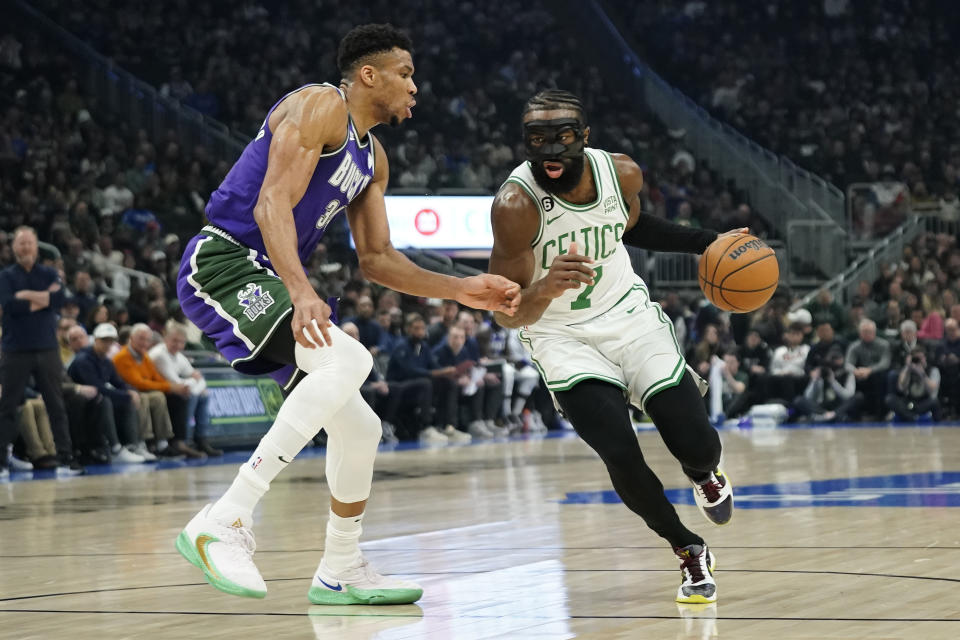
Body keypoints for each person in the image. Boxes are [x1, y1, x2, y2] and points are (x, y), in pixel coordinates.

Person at [173, 24, 519, 605]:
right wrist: (301, 289)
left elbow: (379, 260)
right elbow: (269, 202)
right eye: (405, 74)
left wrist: (462, 288)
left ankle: (340, 566)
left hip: (267, 274)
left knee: (361, 427)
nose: (415, 86)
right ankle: (225, 519)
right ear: (368, 75)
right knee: (349, 358)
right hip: (224, 265)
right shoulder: (319, 107)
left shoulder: (373, 158)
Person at [488, 89, 742, 604]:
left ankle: (703, 472)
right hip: (560, 333)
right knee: (618, 449)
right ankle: (689, 549)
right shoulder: (515, 206)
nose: (549, 153)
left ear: (584, 137)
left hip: (629, 316)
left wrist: (705, 241)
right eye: (537, 141)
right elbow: (505, 311)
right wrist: (545, 287)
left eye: (562, 139)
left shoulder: (621, 173)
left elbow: (631, 225)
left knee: (695, 440)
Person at [0, 226, 82, 477]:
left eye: (30, 243)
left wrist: (26, 296)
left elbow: (58, 302)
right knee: (8, 407)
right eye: (21, 243)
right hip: (15, 349)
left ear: (36, 247)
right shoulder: (5, 276)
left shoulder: (49, 272)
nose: (25, 248)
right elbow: (10, 306)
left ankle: (66, 459)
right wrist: (42, 299)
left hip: (47, 347)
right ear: (14, 247)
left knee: (56, 405)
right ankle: (2, 461)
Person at [113, 324, 199, 458]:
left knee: (159, 397)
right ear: (131, 338)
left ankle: (162, 443)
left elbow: (156, 378)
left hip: (141, 391)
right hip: (127, 392)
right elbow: (138, 383)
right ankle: (143, 442)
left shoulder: (145, 356)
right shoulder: (123, 356)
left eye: (147, 340)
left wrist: (169, 387)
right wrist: (170, 387)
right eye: (141, 339)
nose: (145, 343)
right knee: (146, 398)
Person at [149, 321, 222, 457]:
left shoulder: (179, 356)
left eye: (181, 342)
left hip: (173, 390)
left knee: (204, 395)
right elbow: (175, 382)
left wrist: (194, 385)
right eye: (174, 341)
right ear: (166, 338)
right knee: (189, 395)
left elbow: (201, 381)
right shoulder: (159, 355)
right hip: (159, 391)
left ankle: (201, 439)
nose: (178, 345)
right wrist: (193, 383)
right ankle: (183, 441)